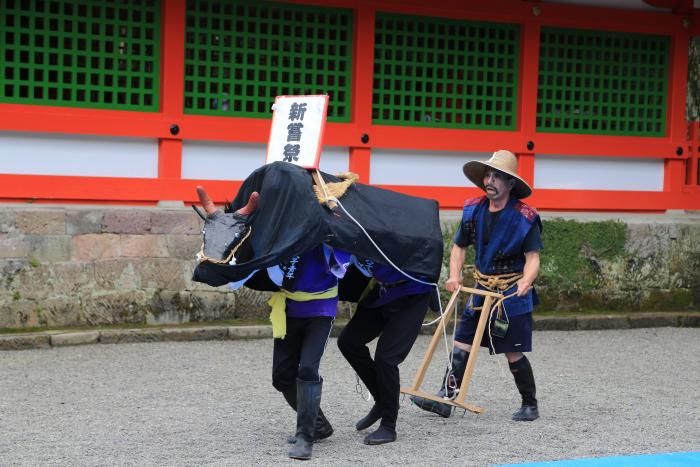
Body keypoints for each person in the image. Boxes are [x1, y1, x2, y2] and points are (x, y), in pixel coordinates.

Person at [196, 186, 338, 460]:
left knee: (307, 369)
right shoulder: (275, 233)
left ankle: (305, 436)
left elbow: (348, 243)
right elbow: (242, 248)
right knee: (282, 376)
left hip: (321, 308)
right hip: (289, 308)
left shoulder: (327, 226)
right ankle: (318, 424)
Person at [410, 150, 543, 422]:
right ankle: (447, 398)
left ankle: (530, 404)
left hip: (509, 292)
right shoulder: (473, 210)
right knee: (461, 342)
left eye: (497, 177)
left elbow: (533, 258)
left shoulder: (525, 217)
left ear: (510, 184)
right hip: (480, 287)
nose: (490, 180)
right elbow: (459, 246)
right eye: (488, 175)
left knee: (512, 350)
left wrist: (526, 282)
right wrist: (455, 275)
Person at [337, 258, 433, 445]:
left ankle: (389, 425)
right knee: (349, 341)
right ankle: (382, 401)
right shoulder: (354, 233)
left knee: (386, 358)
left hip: (413, 292)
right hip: (384, 291)